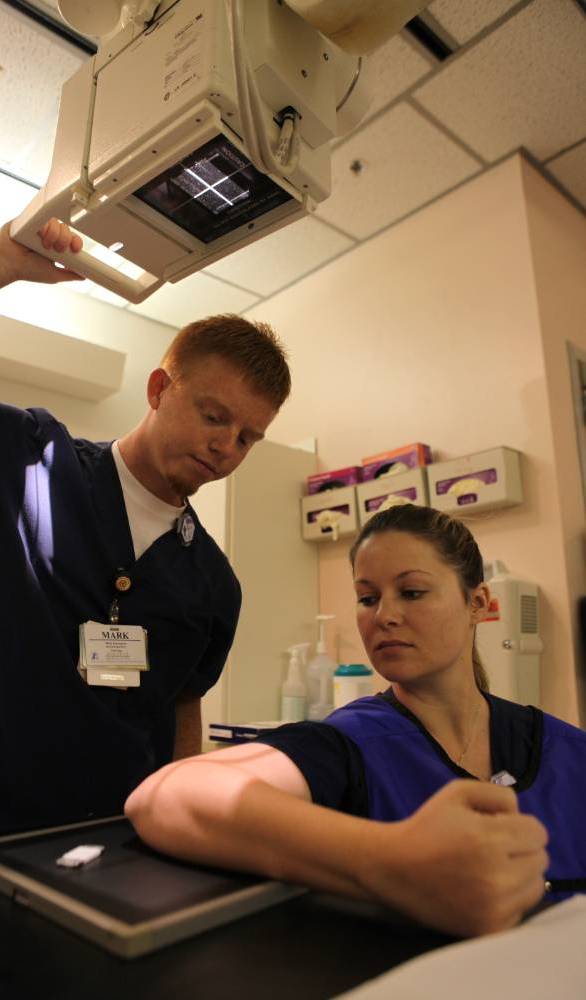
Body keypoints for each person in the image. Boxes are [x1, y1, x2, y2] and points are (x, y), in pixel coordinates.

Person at [125, 503, 577, 938]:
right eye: (367, 598)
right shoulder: (353, 741)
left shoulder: (564, 750)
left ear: (478, 603)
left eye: (412, 592)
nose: (384, 616)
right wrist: (395, 861)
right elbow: (166, 797)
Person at [0, 218, 290, 831]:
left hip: (120, 841)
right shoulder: (34, 458)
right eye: (214, 417)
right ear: (160, 389)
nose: (226, 448)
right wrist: (5, 264)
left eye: (247, 438)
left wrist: (190, 831)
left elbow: (185, 711)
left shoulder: (213, 583)